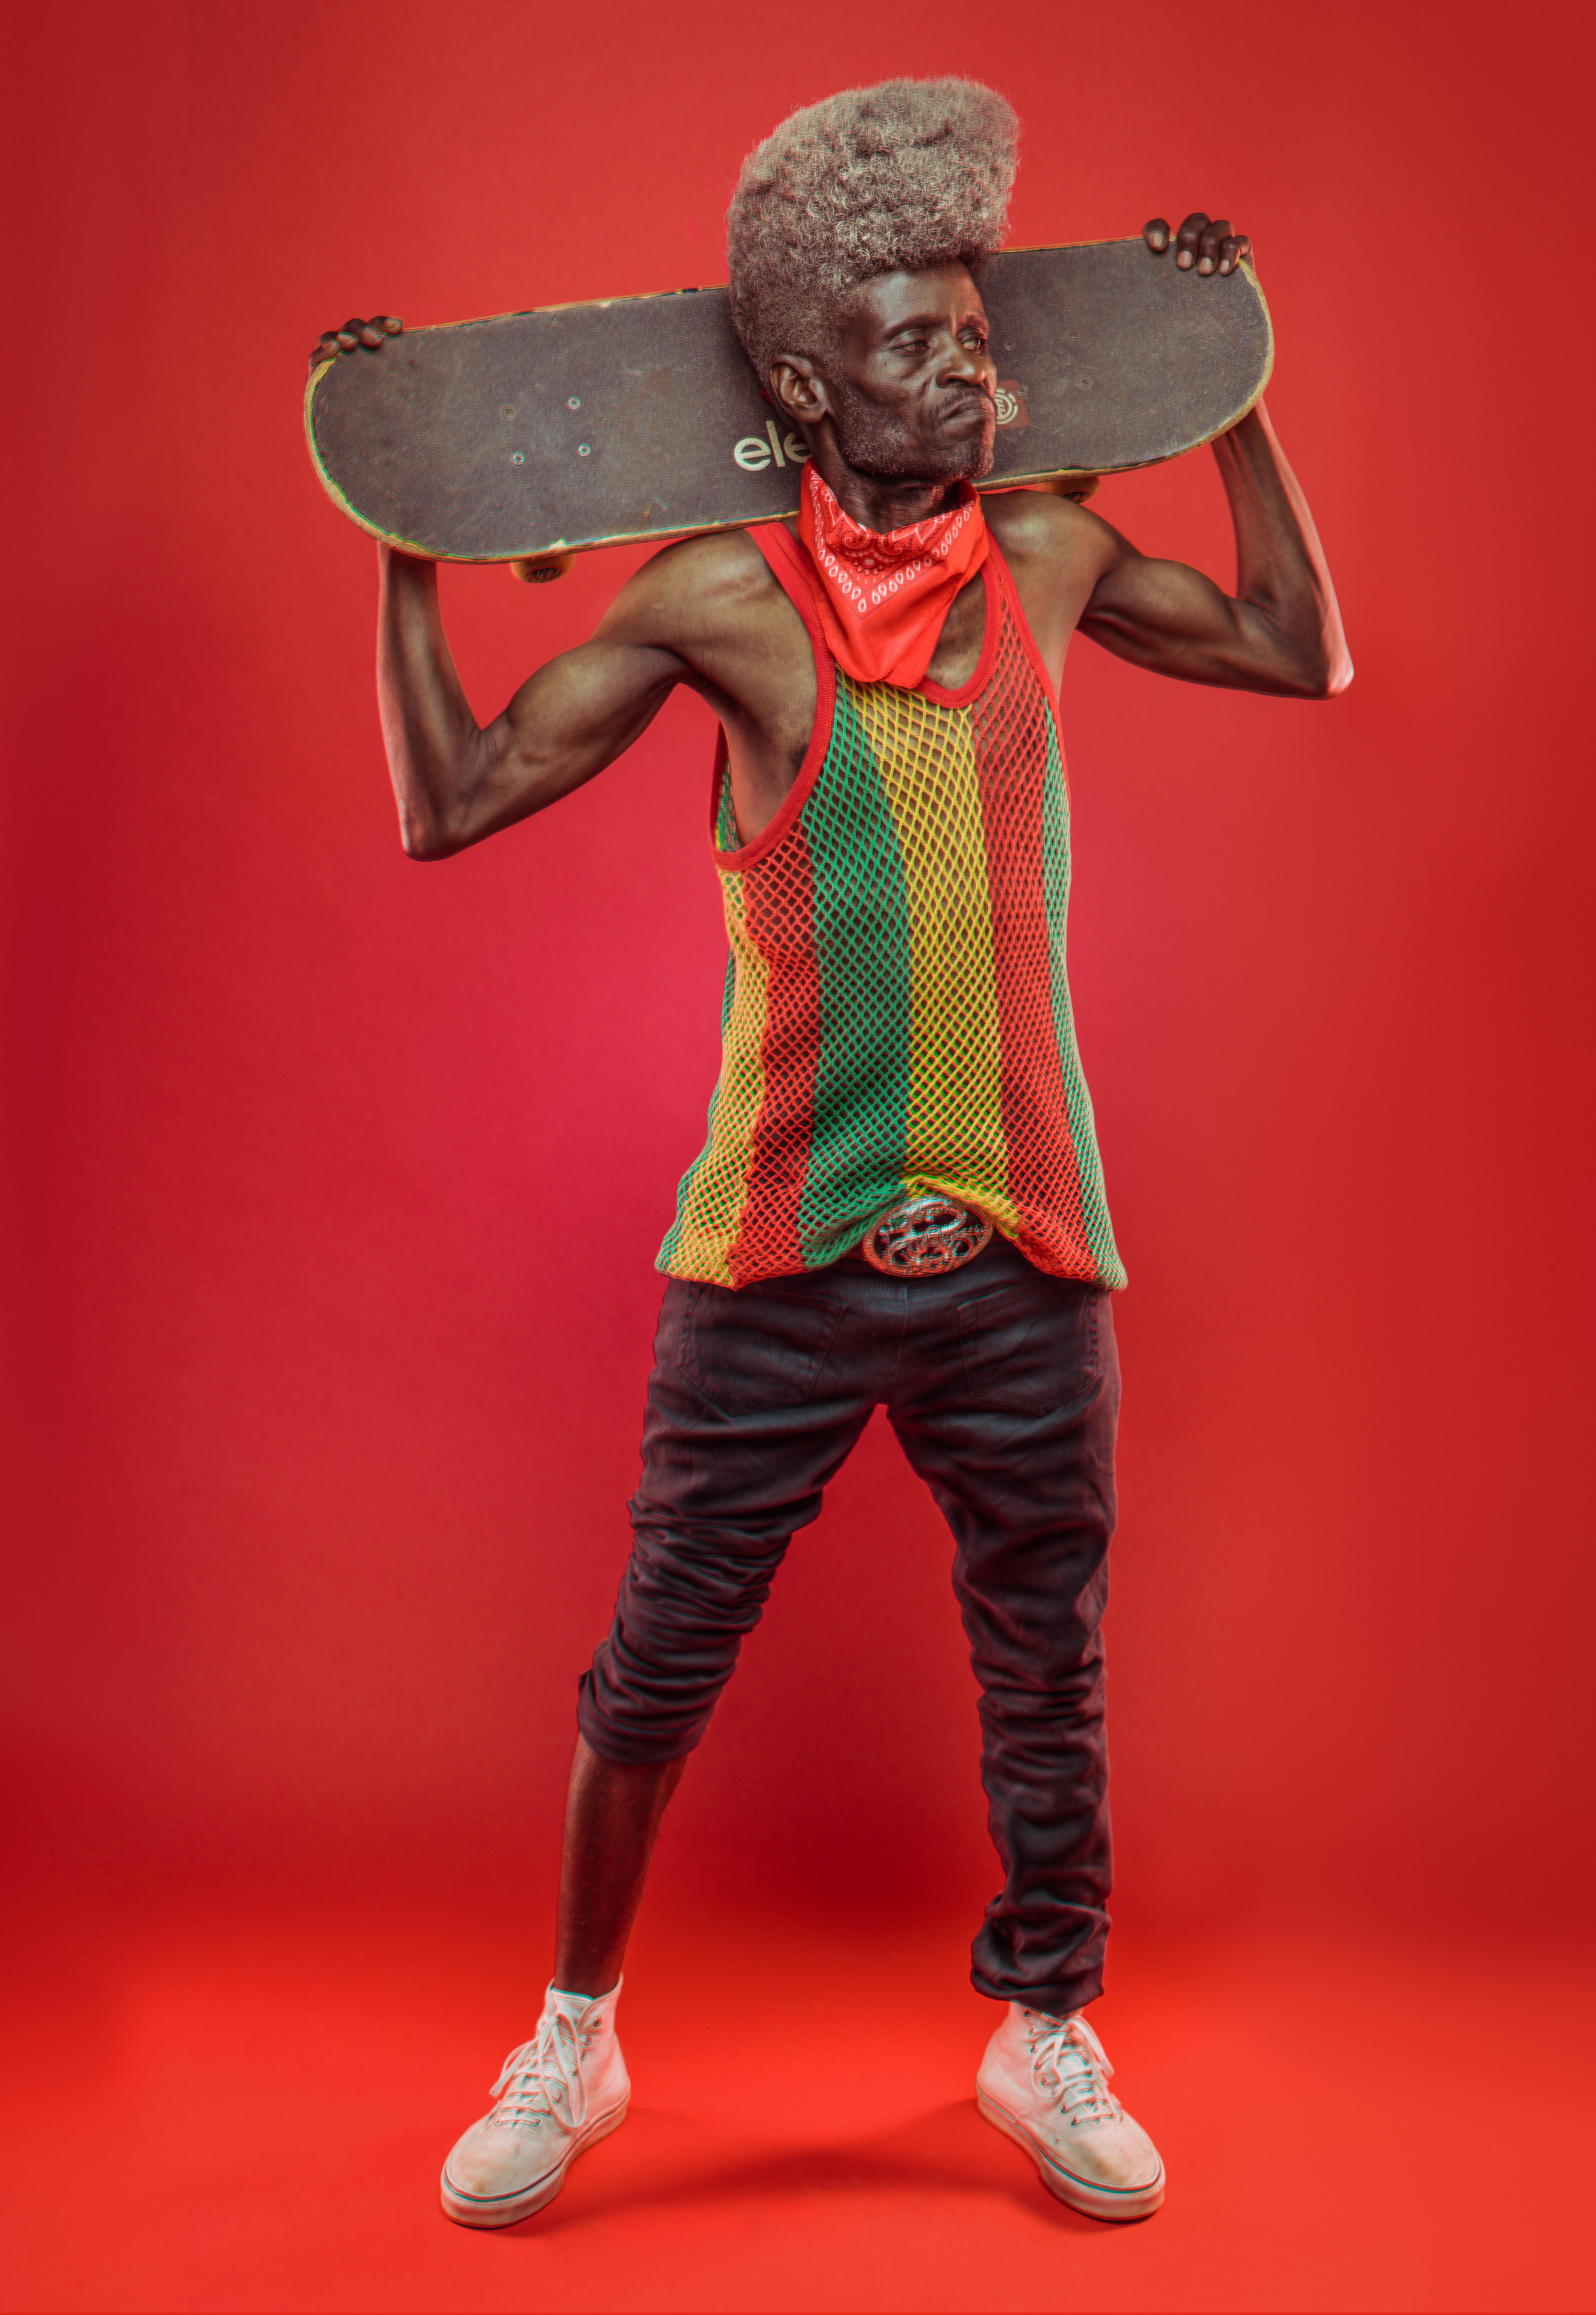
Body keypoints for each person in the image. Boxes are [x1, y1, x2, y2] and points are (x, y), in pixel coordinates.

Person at [314, 77, 1349, 2231]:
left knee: (1043, 1665)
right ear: (802, 379)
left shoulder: (1052, 547)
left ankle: (1041, 2022)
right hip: (774, 1249)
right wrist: (407, 554)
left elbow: (1296, 651)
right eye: (910, 344)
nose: (963, 371)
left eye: (977, 337)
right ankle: (575, 2038)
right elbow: (449, 802)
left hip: (1025, 1245)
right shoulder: (720, 597)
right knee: (656, 1664)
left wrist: (1224, 395)